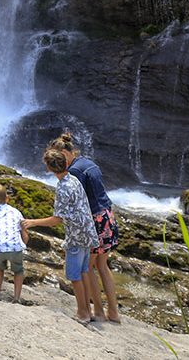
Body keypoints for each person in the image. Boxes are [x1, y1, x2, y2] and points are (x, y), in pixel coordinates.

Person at [24, 147, 98, 324]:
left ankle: (82, 313)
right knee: (84, 271)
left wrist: (33, 222)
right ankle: (89, 310)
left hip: (76, 236)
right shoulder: (74, 180)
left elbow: (57, 219)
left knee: (74, 275)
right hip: (88, 232)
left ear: (49, 168)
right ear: (66, 163)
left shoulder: (63, 187)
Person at [54, 133, 121, 323]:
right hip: (108, 215)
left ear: (67, 152)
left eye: (60, 157)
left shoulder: (74, 171)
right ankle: (114, 312)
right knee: (102, 265)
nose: (59, 161)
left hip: (95, 220)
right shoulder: (88, 163)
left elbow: (78, 204)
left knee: (88, 267)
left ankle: (98, 311)